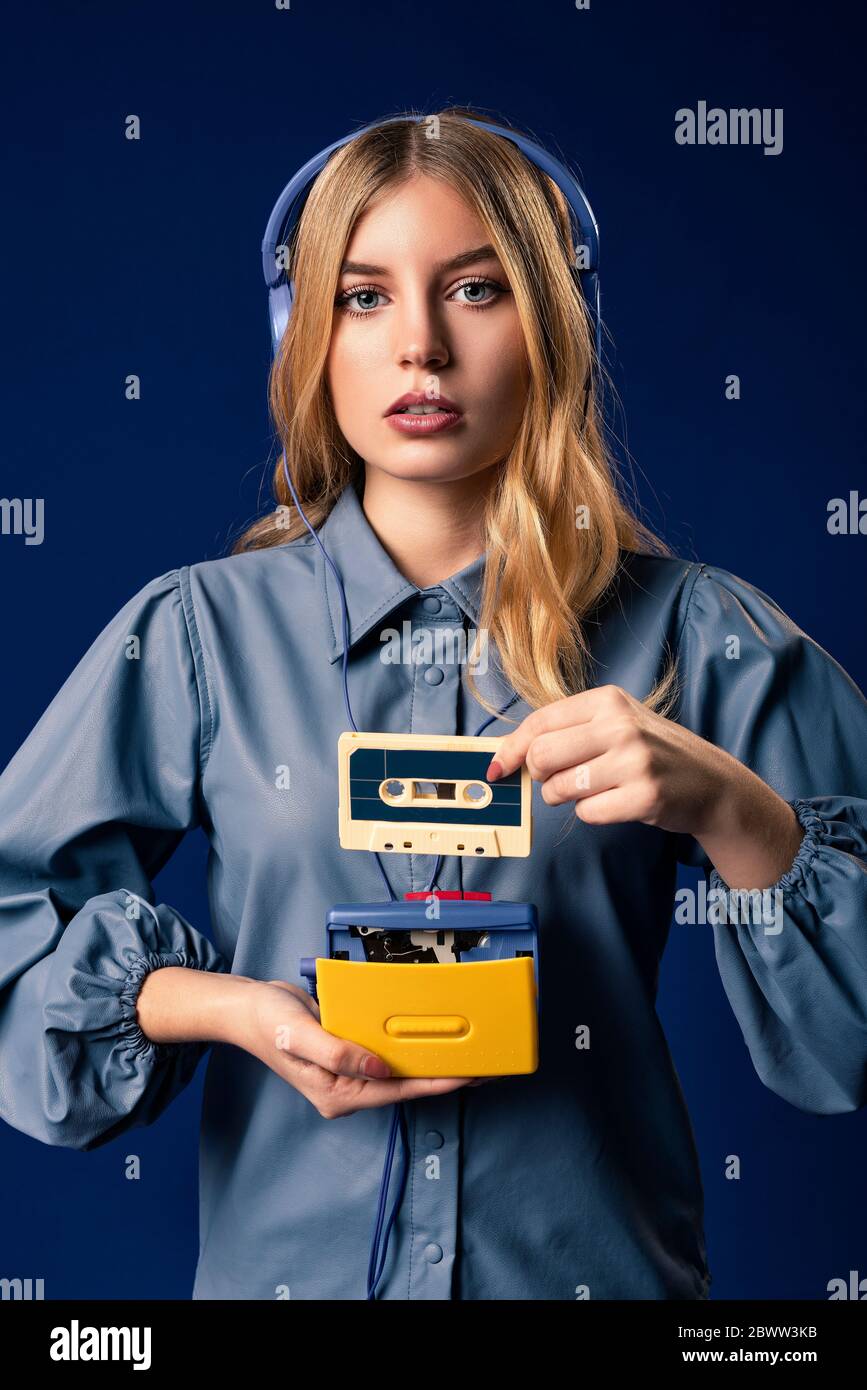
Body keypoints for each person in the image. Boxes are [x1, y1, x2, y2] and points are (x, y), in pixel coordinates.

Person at [0, 107, 865, 1301]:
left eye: (474, 289)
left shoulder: (700, 634)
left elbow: (852, 1044)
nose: (421, 347)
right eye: (362, 296)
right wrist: (230, 1010)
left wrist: (734, 810)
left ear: (551, 327)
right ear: (305, 333)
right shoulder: (199, 632)